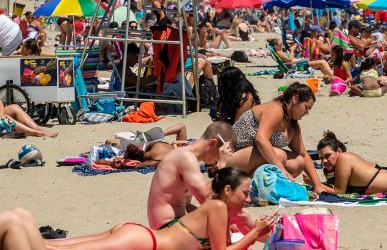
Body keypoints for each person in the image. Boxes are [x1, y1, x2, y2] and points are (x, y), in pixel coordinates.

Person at [51, 167, 277, 250]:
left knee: (55, 245)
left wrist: (258, 231)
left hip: (140, 236)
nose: (248, 199)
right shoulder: (217, 207)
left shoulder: (219, 211)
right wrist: (254, 232)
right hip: (143, 243)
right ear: (228, 191)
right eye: (245, 193)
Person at [226, 83, 331, 195]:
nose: (307, 113)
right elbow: (261, 139)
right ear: (295, 98)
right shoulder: (275, 109)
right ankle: (255, 183)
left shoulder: (293, 124)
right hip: (231, 158)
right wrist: (281, 169)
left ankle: (256, 182)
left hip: (251, 159)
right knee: (280, 155)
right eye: (306, 107)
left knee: (299, 162)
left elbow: (304, 155)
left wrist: (318, 185)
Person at [146, 121, 235, 229]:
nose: (217, 160)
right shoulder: (186, 157)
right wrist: (221, 165)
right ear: (213, 143)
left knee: (225, 226)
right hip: (167, 228)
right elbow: (206, 199)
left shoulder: (188, 157)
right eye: (221, 153)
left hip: (172, 225)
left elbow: (187, 205)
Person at [268, 38, 334, 82]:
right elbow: (289, 60)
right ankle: (334, 77)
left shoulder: (280, 51)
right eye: (280, 44)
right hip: (297, 66)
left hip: (299, 63)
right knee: (322, 62)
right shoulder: (279, 52)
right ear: (275, 46)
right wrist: (292, 50)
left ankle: (331, 76)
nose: (282, 45)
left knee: (321, 64)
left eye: (281, 44)